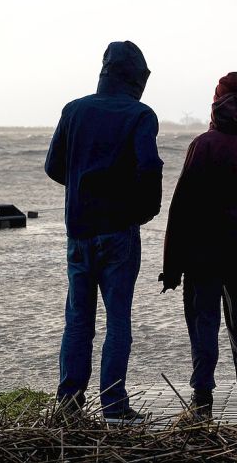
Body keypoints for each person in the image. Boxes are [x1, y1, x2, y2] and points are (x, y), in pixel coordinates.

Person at [45, 40, 162, 424]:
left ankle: (69, 403)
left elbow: (53, 166)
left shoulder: (74, 110)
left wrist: (82, 186)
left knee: (78, 320)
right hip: (118, 233)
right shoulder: (140, 115)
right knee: (118, 320)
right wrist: (141, 211)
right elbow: (149, 168)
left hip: (78, 232)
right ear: (136, 78)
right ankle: (113, 404)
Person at [160, 72, 237, 422]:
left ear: (216, 104)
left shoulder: (204, 145)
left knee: (204, 323)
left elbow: (180, 208)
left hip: (203, 254)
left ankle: (202, 400)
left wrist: (171, 266)